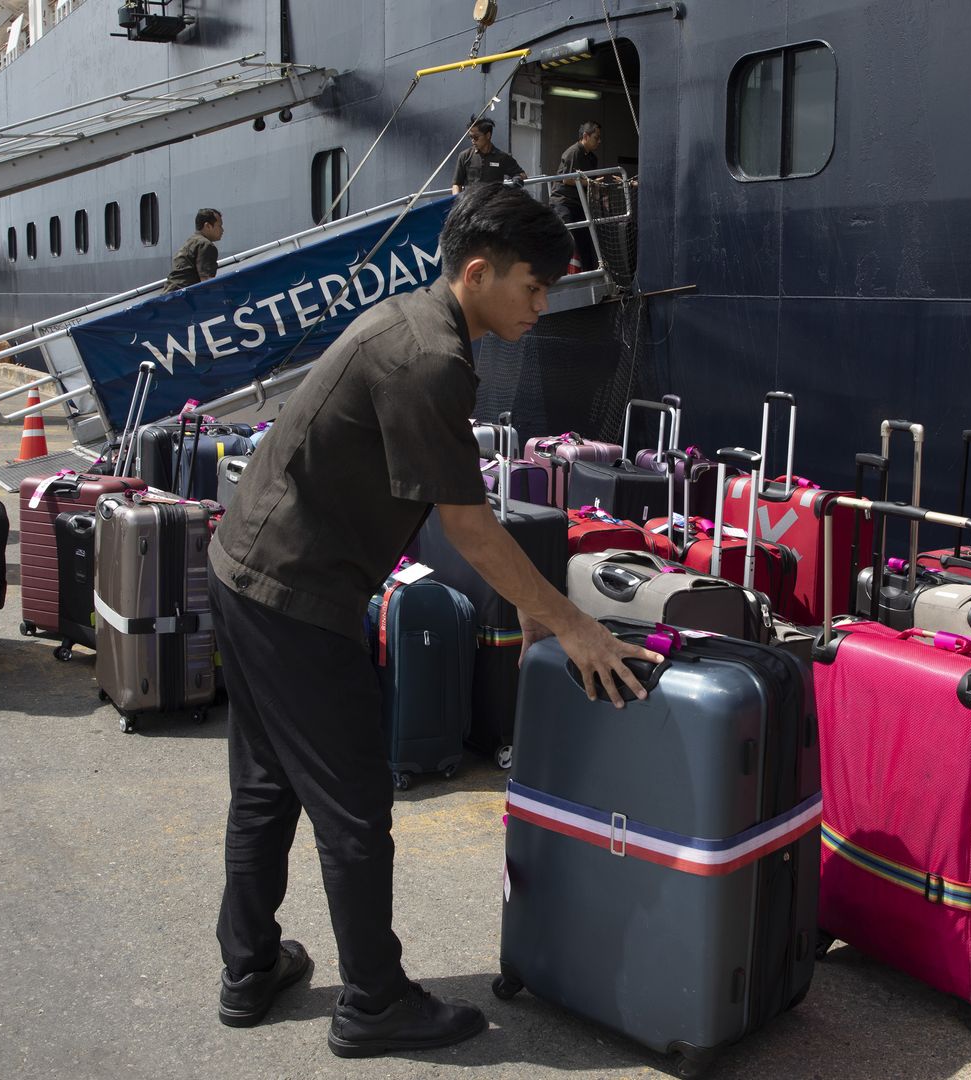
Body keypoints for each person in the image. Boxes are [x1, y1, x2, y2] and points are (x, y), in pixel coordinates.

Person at [205, 183, 660, 1056]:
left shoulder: (415, 324)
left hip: (247, 569)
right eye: (532, 287)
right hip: (298, 593)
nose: (541, 305)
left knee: (265, 787)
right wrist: (571, 622)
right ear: (480, 272)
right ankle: (374, 1003)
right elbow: (467, 523)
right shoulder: (430, 358)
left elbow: (457, 510)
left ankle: (250, 966)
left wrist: (532, 607)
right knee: (354, 808)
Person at [551, 121, 604, 272]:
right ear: (586, 136)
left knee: (586, 241)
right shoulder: (573, 152)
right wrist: (590, 183)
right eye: (596, 137)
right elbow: (566, 178)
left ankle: (588, 273)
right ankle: (563, 274)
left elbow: (589, 182)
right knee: (568, 239)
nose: (599, 141)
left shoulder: (592, 158)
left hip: (579, 203)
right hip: (563, 203)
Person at [450, 118, 526, 194]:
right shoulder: (464, 156)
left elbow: (521, 174)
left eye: (476, 137)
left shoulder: (502, 157)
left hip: (493, 203)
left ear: (488, 135)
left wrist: (516, 181)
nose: (472, 140)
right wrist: (458, 201)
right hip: (471, 203)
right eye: (470, 137)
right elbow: (456, 184)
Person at [165, 209, 224, 291]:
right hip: (184, 298)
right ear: (208, 226)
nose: (222, 230)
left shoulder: (191, 242)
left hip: (172, 295)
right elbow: (207, 282)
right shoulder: (206, 245)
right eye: (219, 226)